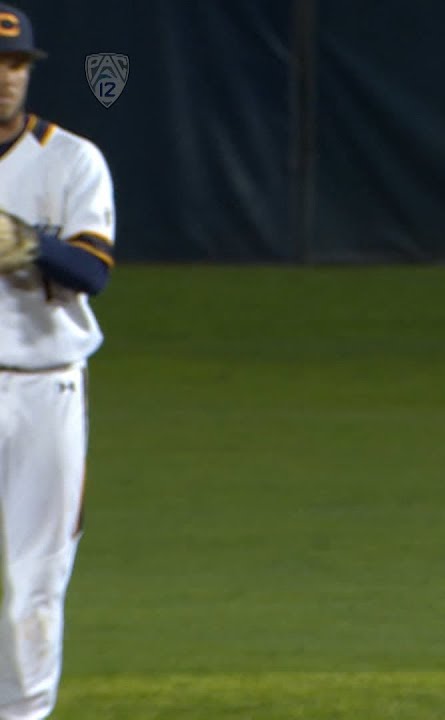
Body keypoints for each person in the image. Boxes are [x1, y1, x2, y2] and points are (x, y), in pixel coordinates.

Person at [0, 4, 116, 718]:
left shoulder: (73, 159)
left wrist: (27, 242)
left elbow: (93, 270)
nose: (5, 80)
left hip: (46, 394)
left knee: (36, 582)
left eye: (15, 65)